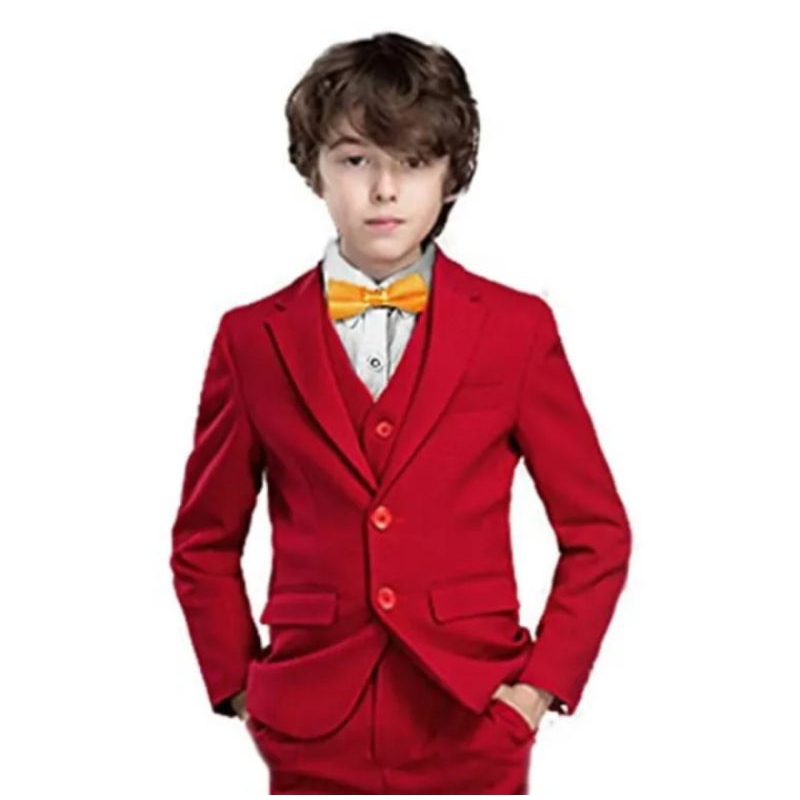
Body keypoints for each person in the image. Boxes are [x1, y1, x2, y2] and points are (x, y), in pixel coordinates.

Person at [169, 31, 632, 794]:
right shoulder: (250, 339)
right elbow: (203, 541)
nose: (384, 189)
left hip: (474, 711)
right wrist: (243, 690)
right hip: (309, 722)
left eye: (413, 162)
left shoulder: (516, 328)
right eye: (356, 160)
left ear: (452, 176)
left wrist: (536, 690)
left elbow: (598, 532)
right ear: (313, 168)